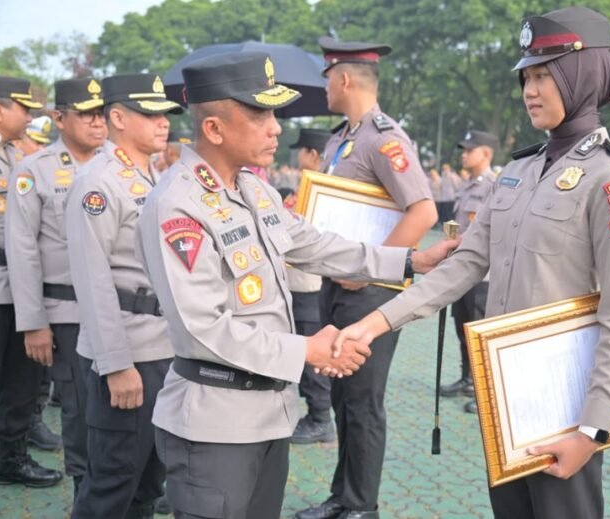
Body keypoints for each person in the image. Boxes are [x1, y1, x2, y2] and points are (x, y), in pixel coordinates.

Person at [332, 7, 610, 519]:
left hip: (563, 402)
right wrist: (374, 322)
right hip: (502, 391)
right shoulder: (518, 170)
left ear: (581, 75)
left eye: (546, 75)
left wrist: (591, 430)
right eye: (527, 76)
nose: (530, 89)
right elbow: (464, 265)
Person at [134, 52, 454, 519]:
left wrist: (410, 258)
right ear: (215, 129)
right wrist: (306, 351)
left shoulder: (253, 189)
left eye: (273, 114)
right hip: (215, 424)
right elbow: (201, 327)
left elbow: (315, 244)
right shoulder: (177, 205)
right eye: (259, 113)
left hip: (268, 414)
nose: (275, 127)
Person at [295, 36, 438, 519]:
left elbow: (422, 211)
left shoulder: (385, 138)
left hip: (372, 292)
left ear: (344, 78)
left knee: (363, 401)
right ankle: (343, 496)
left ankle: (361, 506)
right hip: (339, 285)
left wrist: (372, 264)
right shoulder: (342, 137)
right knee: (341, 395)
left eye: (327, 78)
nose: (326, 88)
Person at [65, 73, 182, 519]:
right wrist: (116, 364)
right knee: (112, 483)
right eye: (149, 114)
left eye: (164, 114)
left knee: (148, 482)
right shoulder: (99, 183)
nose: (162, 123)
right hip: (127, 353)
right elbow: (93, 282)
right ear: (117, 117)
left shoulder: (152, 177)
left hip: (162, 347)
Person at [4, 77, 107, 497]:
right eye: (86, 114)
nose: (96, 122)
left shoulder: (122, 167)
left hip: (124, 311)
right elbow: (22, 249)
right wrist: (33, 322)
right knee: (80, 410)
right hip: (68, 312)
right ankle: (87, 494)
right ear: (59, 119)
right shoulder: (34, 171)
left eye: (101, 113)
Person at [0, 76, 63, 518]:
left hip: (25, 286)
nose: (30, 116)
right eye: (23, 108)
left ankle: (12, 460)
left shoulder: (20, 154)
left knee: (23, 379)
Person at [438, 131, 498, 414]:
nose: (463, 154)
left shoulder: (494, 186)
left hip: (482, 273)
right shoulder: (466, 185)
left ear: (485, 154)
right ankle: (467, 378)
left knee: (479, 331)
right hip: (461, 269)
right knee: (462, 328)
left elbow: (493, 230)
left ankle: (485, 389)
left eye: (469, 150)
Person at [288, 128, 339, 444]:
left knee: (311, 354)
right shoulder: (307, 186)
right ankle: (315, 412)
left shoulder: (322, 190)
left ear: (313, 155)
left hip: (309, 282)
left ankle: (321, 417)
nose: (297, 157)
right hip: (298, 280)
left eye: (301, 151)